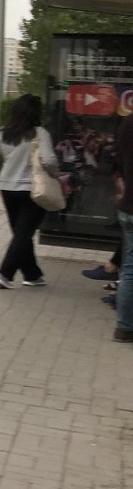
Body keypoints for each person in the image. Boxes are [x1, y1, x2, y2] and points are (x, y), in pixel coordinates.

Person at [0, 94, 58, 288]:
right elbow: (49, 160)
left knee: (21, 233)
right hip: (32, 189)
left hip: (7, 187)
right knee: (23, 234)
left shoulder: (4, 132)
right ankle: (4, 274)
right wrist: (55, 173)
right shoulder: (39, 133)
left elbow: (5, 156)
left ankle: (31, 274)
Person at [113, 112, 133, 342]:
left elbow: (117, 163)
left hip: (127, 207)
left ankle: (124, 328)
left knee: (129, 268)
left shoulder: (127, 124)